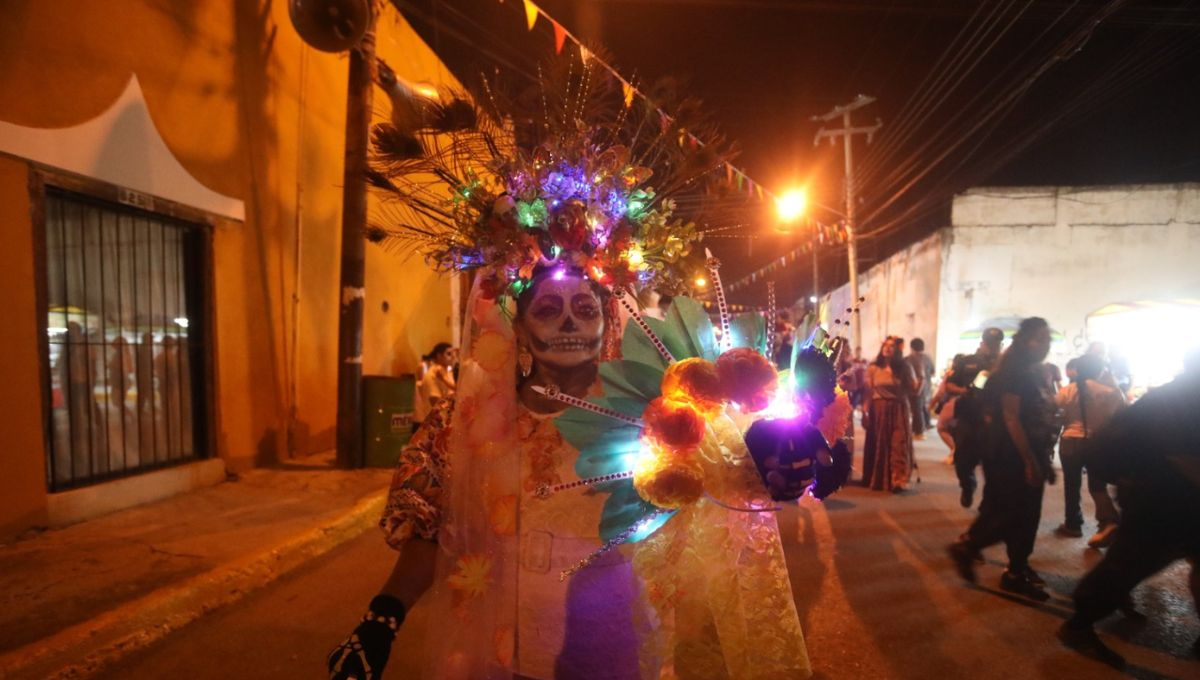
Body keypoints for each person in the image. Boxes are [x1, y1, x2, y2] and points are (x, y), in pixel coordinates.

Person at [328, 268, 811, 679]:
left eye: (584, 308)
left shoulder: (659, 409)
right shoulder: (468, 420)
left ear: (607, 322)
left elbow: (737, 466)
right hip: (502, 650)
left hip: (613, 646)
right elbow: (431, 523)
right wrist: (382, 619)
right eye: (547, 310)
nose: (568, 323)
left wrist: (778, 459)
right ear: (518, 328)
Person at [1057, 350, 1200, 667]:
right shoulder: (1182, 399)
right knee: (1127, 564)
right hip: (1158, 498)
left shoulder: (1177, 394)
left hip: (1175, 496)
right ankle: (1079, 625)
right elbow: (1183, 456)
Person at [948, 318, 1059, 600]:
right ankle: (972, 549)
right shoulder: (1014, 372)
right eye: (1040, 339)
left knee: (1015, 512)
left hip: (1026, 451)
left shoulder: (1031, 370)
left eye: (1048, 339)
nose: (1045, 344)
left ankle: (1017, 566)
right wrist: (1029, 461)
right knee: (1016, 514)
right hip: (1011, 454)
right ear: (1024, 341)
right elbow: (1011, 417)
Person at [1053, 353, 1126, 544]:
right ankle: (1107, 522)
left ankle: (1073, 524)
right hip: (1098, 443)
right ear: (1100, 370)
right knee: (1098, 485)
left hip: (1070, 441)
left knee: (1072, 485)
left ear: (1077, 369)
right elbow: (1123, 418)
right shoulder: (1112, 392)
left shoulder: (1067, 391)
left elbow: (1054, 416)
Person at [942, 328, 1004, 507]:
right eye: (989, 343)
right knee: (962, 461)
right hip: (969, 419)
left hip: (995, 422)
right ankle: (967, 486)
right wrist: (965, 391)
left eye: (996, 344)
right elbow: (949, 385)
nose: (993, 347)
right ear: (982, 343)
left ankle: (988, 504)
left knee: (993, 466)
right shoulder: (966, 362)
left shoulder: (1005, 365)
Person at [862, 336, 917, 492]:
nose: (888, 348)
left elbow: (913, 389)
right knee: (880, 443)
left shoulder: (904, 367)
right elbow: (868, 392)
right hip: (879, 409)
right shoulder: (873, 368)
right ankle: (878, 478)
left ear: (897, 350)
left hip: (899, 408)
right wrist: (865, 412)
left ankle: (898, 479)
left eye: (891, 346)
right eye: (885, 345)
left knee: (898, 443)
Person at [412, 342, 457, 432]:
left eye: (453, 354)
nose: (453, 357)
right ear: (439, 356)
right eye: (448, 354)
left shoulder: (447, 373)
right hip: (435, 425)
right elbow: (435, 402)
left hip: (448, 419)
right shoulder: (432, 374)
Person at [906, 338, 935, 438]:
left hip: (915, 387)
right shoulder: (928, 358)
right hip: (926, 387)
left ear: (912, 347)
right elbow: (932, 372)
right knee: (922, 407)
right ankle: (925, 424)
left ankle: (919, 430)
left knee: (916, 409)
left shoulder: (910, 358)